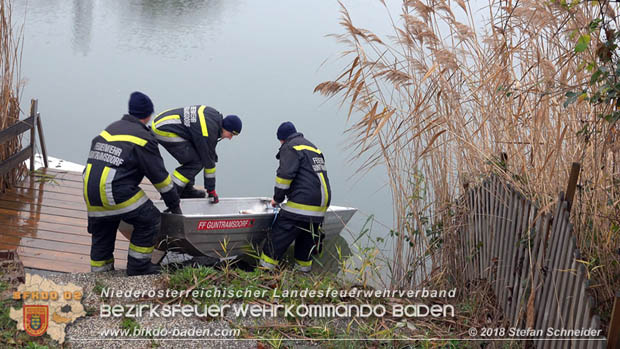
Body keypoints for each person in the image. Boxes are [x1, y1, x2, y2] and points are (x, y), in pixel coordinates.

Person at [83, 91, 181, 276]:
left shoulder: (110, 129)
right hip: (115, 190)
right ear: (148, 115)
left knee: (104, 229)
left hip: (91, 191)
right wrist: (174, 204)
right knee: (150, 219)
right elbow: (160, 178)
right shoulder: (143, 138)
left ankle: (99, 275)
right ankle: (139, 266)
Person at [260, 121, 331, 272]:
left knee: (275, 242)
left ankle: (264, 274)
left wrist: (277, 199)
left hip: (301, 206)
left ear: (282, 139)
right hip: (320, 209)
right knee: (305, 248)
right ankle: (302, 277)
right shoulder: (313, 148)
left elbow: (284, 176)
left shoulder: (290, 147)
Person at [150, 105, 241, 202]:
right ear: (226, 128)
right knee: (195, 162)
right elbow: (209, 163)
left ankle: (186, 190)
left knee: (194, 156)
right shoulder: (208, 133)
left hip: (162, 122)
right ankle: (170, 196)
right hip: (163, 131)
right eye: (231, 134)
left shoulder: (213, 115)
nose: (230, 138)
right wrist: (211, 191)